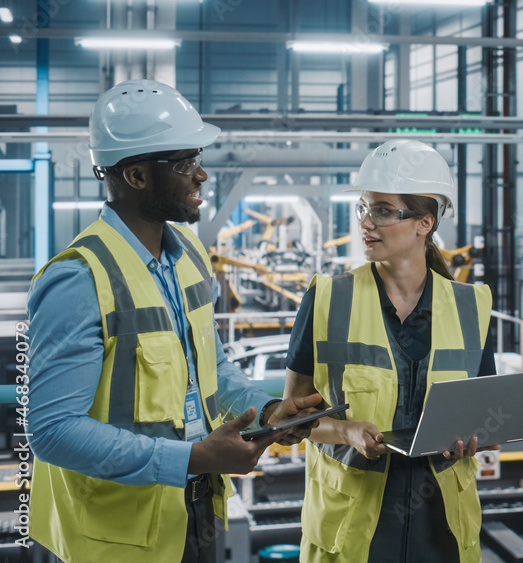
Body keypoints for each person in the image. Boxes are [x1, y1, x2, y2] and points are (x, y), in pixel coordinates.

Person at [27, 79, 322, 563]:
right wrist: (192, 458)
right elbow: (54, 429)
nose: (202, 175)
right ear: (138, 176)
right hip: (114, 540)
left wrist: (267, 412)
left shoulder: (188, 253)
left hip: (193, 514)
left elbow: (213, 369)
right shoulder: (78, 279)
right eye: (186, 163)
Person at [283, 139, 496, 563]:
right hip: (351, 528)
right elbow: (289, 418)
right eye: (363, 208)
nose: (366, 222)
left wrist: (476, 438)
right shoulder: (327, 298)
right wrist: (345, 431)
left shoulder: (472, 305)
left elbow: (489, 416)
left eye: (382, 211)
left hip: (443, 531)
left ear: (425, 222)